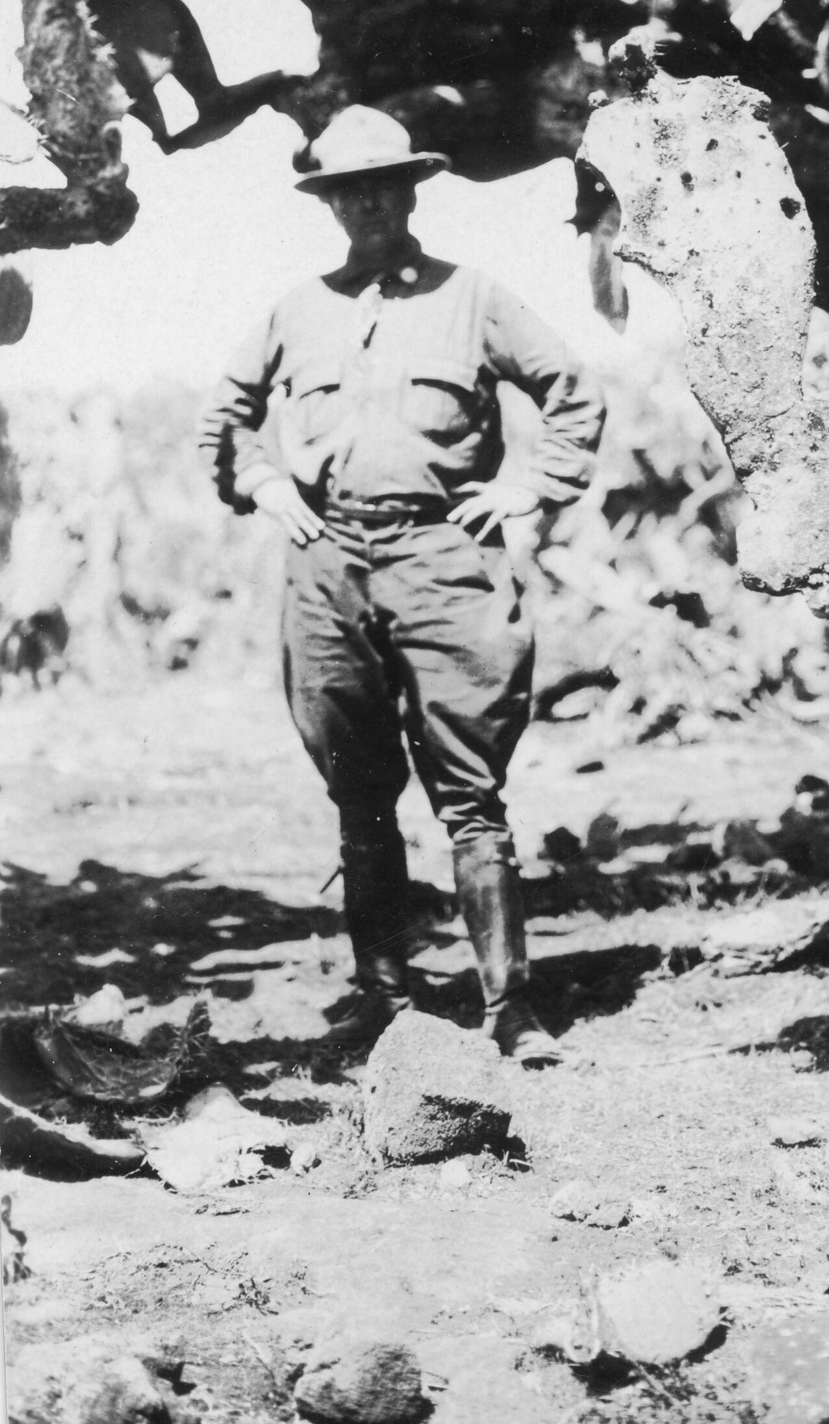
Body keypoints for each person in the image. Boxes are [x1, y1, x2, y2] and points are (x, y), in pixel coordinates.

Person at [199, 107, 604, 1063]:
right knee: (358, 792)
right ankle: (383, 996)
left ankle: (511, 1009)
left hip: (443, 561)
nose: (367, 203)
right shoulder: (296, 310)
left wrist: (525, 488)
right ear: (330, 203)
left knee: (469, 793)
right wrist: (260, 480)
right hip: (328, 562)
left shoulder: (475, 298)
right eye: (346, 190)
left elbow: (570, 391)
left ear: (414, 189)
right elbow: (227, 415)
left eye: (382, 184)